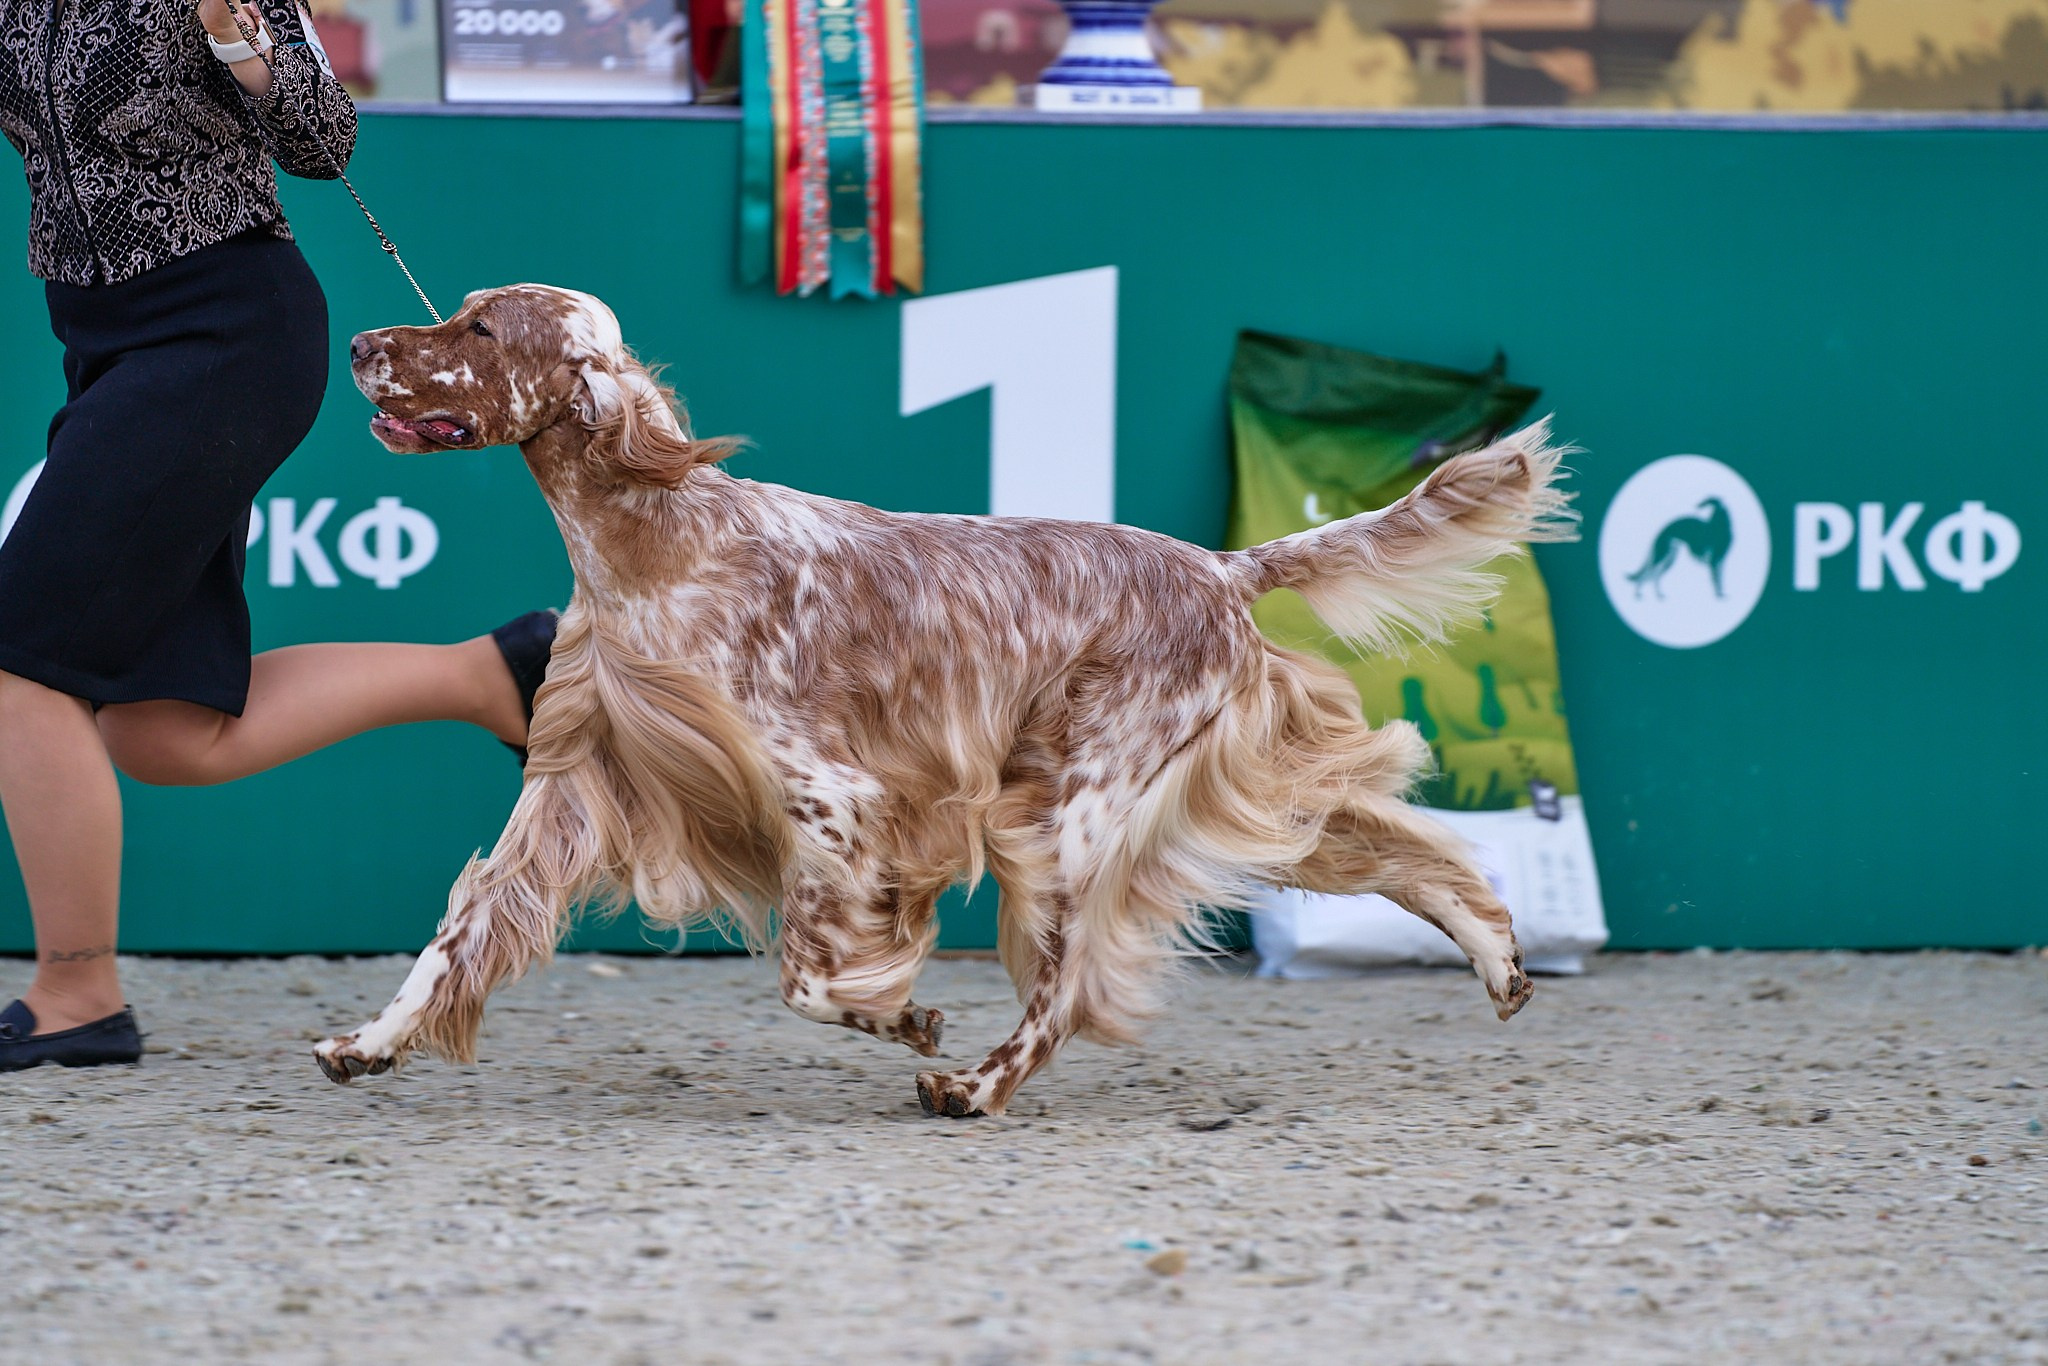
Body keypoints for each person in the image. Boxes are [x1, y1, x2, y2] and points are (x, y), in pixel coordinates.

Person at [0, 0, 557, 1070]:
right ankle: (495, 676)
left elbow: (320, 137)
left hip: (224, 332)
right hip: (101, 338)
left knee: (24, 658)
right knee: (159, 734)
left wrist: (238, 43)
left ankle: (78, 991)